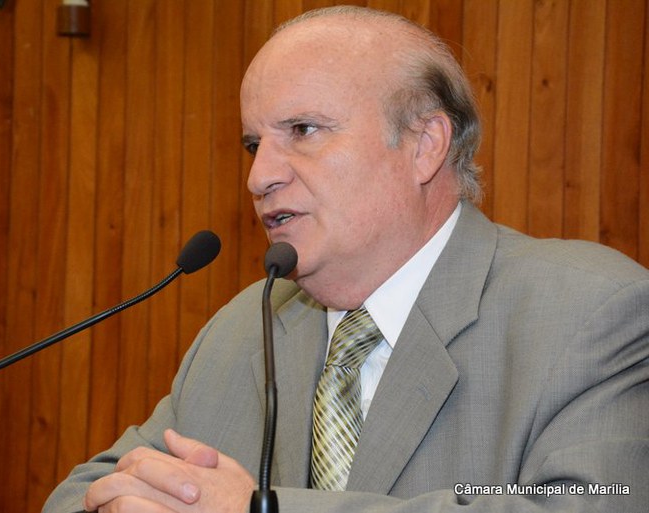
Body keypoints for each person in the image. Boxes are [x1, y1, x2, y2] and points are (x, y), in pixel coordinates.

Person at [44, 6, 649, 513]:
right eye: (254, 144)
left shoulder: (590, 313)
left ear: (424, 145)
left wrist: (260, 510)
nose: (259, 176)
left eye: (304, 130)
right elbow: (84, 492)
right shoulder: (246, 327)